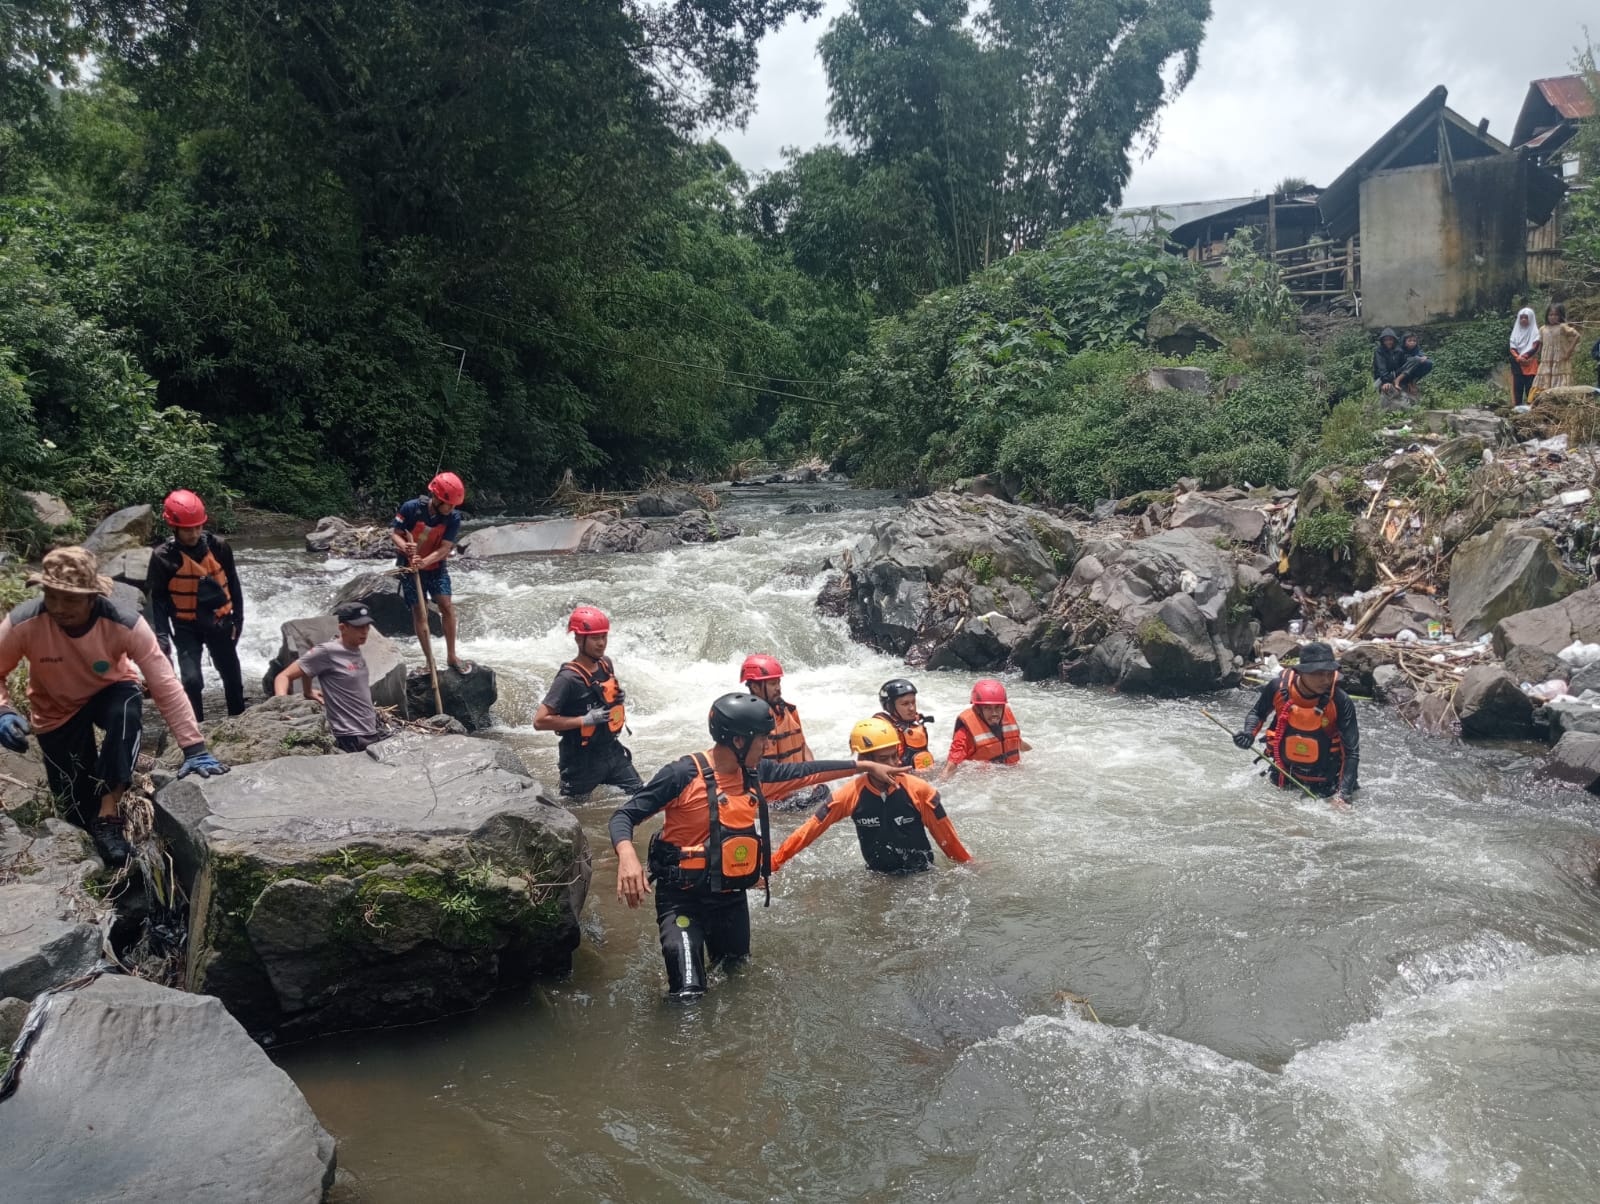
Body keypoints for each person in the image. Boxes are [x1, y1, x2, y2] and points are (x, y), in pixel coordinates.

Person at [609, 692, 908, 999]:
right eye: (763, 739)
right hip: (683, 899)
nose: (768, 746)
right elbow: (625, 815)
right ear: (739, 741)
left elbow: (810, 771)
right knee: (688, 993)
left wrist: (865, 766)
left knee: (736, 979)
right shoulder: (681, 775)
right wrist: (627, 855)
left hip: (730, 899)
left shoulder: (756, 774)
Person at [0, 547, 229, 866]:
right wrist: (3, 711)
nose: (59, 607)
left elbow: (164, 684)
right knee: (76, 809)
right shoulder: (24, 622)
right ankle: (92, 834)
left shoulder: (124, 623)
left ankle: (110, 816)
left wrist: (193, 746)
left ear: (93, 597)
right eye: (52, 597)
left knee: (127, 708)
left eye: (71, 599)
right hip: (55, 708)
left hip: (110, 691)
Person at [771, 717, 971, 875]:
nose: (893, 764)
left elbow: (949, 842)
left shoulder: (920, 791)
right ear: (865, 761)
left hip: (922, 877)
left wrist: (970, 867)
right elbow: (806, 833)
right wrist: (773, 864)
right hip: (877, 879)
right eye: (884, 759)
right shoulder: (849, 795)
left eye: (895, 755)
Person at [149, 489, 246, 722]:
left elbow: (233, 583)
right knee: (191, 681)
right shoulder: (163, 556)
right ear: (174, 527)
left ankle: (240, 721)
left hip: (219, 622)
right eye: (187, 529)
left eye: (197, 527)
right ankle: (197, 729)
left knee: (231, 676)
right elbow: (159, 599)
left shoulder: (220, 547)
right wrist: (162, 636)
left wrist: (238, 619)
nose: (193, 533)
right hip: (185, 627)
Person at [1232, 641, 1359, 811]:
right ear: (1301, 672)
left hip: (1325, 783)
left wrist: (1343, 796)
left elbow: (1351, 752)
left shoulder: (1340, 701)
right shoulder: (1277, 688)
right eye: (1319, 673)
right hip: (1284, 775)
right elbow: (1258, 713)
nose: (1326, 680)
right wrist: (1248, 734)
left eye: (1330, 673)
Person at [535, 606, 641, 799]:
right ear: (578, 639)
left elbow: (602, 696)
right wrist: (584, 720)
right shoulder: (567, 679)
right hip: (580, 761)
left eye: (604, 637)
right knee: (574, 813)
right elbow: (540, 721)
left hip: (611, 751)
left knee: (643, 797)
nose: (601, 644)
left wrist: (616, 699)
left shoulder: (605, 664)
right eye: (594, 638)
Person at [272, 603, 387, 752]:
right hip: (349, 736)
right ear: (343, 628)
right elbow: (283, 676)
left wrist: (309, 691)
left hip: (369, 730)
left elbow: (309, 670)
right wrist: (283, 708)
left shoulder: (355, 649)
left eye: (367, 626)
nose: (364, 631)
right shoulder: (327, 651)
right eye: (358, 627)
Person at [390, 471, 469, 672]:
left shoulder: (453, 518)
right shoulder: (410, 508)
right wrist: (405, 547)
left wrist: (424, 562)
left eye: (453, 506)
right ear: (436, 498)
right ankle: (429, 662)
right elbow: (396, 534)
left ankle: (452, 656)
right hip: (409, 568)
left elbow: (444, 549)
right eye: (447, 504)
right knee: (420, 611)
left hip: (435, 567)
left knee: (446, 605)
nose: (451, 508)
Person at [941, 678, 1030, 779]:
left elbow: (1019, 744)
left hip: (1010, 778)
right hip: (981, 783)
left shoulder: (1007, 721)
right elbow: (951, 767)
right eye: (988, 708)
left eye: (998, 707)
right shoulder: (964, 734)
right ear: (978, 709)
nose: (994, 714)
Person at [738, 654, 811, 763]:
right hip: (772, 779)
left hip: (799, 777)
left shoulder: (790, 711)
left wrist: (814, 774)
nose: (778, 688)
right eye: (773, 684)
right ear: (755, 687)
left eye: (778, 682)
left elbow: (803, 745)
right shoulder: (745, 721)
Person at [876, 677, 935, 772]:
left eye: (913, 702)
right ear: (889, 706)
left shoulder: (916, 723)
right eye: (905, 704)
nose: (912, 708)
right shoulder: (881, 730)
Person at [1534, 303, 1582, 392]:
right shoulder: (1543, 329)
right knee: (1545, 379)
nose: (1553, 317)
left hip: (1560, 358)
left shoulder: (1563, 327)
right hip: (1546, 360)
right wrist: (1536, 354)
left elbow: (1577, 335)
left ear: (1560, 316)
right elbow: (1540, 343)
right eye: (1550, 315)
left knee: (1560, 379)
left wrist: (1569, 351)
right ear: (1547, 316)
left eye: (1556, 315)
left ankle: (1559, 397)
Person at [1509, 307, 1541, 406]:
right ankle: (1517, 408)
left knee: (1530, 387)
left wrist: (1525, 356)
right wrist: (1518, 357)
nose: (1523, 320)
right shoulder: (1515, 332)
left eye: (1526, 318)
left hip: (1530, 364)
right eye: (1521, 317)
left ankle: (1531, 408)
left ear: (1531, 318)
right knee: (1517, 388)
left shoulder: (1535, 333)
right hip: (1517, 364)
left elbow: (1535, 347)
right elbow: (1512, 347)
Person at [1372, 328, 1408, 402]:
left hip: (1396, 376)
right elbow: (1381, 368)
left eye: (1390, 339)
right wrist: (1386, 381)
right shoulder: (1379, 352)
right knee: (1372, 389)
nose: (1388, 342)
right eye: (1386, 340)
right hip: (1382, 377)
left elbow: (1403, 366)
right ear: (1383, 341)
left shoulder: (1399, 351)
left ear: (1394, 340)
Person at [1395, 332, 1433, 398]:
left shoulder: (1415, 349)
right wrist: (1417, 359)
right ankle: (1399, 380)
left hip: (1411, 373)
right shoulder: (1399, 350)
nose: (1412, 342)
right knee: (1416, 359)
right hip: (1399, 372)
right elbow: (1400, 364)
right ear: (1404, 342)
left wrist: (1425, 357)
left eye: (1414, 341)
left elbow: (1422, 356)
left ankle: (1413, 381)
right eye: (1409, 341)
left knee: (1428, 363)